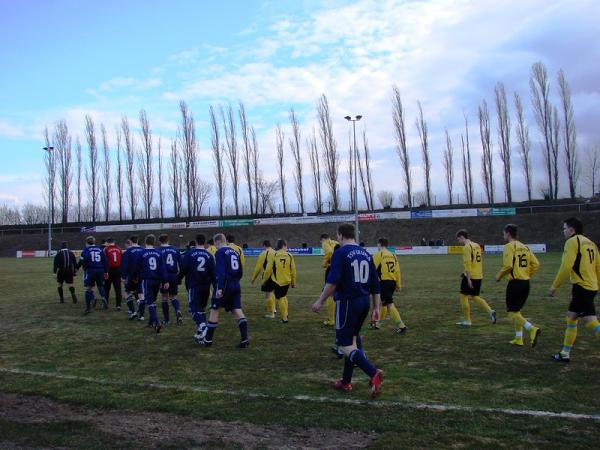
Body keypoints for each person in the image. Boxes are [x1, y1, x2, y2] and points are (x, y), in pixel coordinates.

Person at [312, 223, 384, 398]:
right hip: (364, 302)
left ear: (341, 235)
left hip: (347, 303)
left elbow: (333, 282)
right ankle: (346, 381)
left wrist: (320, 301)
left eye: (337, 236)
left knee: (344, 345)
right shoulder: (367, 254)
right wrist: (376, 307)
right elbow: (376, 285)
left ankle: (373, 372)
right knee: (352, 340)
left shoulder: (340, 253)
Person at [549, 217, 600, 362]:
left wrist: (555, 286)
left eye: (564, 228)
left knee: (590, 321)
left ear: (572, 230)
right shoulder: (591, 243)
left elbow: (566, 266)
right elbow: (598, 266)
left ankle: (565, 353)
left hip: (582, 287)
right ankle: (565, 353)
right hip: (590, 286)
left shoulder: (572, 242)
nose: (563, 231)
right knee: (571, 317)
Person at [195, 233, 249, 348]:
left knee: (214, 310)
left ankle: (208, 340)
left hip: (224, 285)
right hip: (236, 284)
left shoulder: (220, 252)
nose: (215, 246)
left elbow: (220, 271)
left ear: (218, 241)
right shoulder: (235, 251)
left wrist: (219, 288)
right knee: (237, 309)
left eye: (215, 243)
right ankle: (245, 339)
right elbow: (240, 271)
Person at [495, 224, 541, 347]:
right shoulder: (525, 247)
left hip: (515, 283)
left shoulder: (509, 246)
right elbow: (536, 264)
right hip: (526, 283)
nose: (503, 236)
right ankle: (518, 338)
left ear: (508, 234)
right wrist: (527, 274)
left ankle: (531, 329)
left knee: (512, 313)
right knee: (517, 311)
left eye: (503, 233)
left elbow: (508, 265)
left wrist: (498, 276)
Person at [455, 230, 496, 326]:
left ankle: (467, 320)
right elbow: (475, 261)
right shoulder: (477, 245)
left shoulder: (466, 247)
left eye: (458, 239)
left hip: (471, 276)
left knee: (463, 295)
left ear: (462, 237)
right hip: (478, 275)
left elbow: (468, 263)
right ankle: (490, 311)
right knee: (474, 296)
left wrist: (468, 278)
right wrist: (464, 272)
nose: (458, 242)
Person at [179, 236, 215, 341]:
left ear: (195, 242)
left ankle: (203, 327)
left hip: (194, 285)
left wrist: (178, 279)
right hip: (206, 286)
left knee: (193, 309)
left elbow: (183, 269)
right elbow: (213, 273)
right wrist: (216, 286)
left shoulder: (190, 253)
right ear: (204, 243)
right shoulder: (209, 255)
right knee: (201, 309)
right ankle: (201, 333)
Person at [132, 234, 167, 333]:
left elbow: (137, 267)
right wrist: (164, 280)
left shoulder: (141, 253)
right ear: (154, 242)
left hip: (147, 280)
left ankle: (156, 322)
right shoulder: (159, 253)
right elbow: (163, 268)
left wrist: (134, 277)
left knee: (149, 302)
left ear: (145, 242)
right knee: (153, 300)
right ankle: (151, 322)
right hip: (157, 280)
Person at [371, 238, 407, 334]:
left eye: (377, 245)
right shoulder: (393, 255)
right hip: (392, 282)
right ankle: (377, 323)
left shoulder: (379, 254)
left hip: (384, 282)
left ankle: (401, 325)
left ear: (379, 244)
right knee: (384, 303)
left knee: (389, 303)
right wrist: (398, 284)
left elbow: (371, 269)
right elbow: (398, 271)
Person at [262, 239, 296, 323]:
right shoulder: (289, 255)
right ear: (284, 245)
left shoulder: (274, 255)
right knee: (283, 296)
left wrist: (265, 280)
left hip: (278, 282)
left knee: (280, 298)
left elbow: (268, 270)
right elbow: (293, 270)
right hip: (287, 281)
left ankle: (284, 319)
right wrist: (293, 282)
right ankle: (286, 313)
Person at [78, 236, 108, 314]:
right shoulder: (100, 249)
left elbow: (83, 260)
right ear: (94, 242)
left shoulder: (86, 250)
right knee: (100, 286)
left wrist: (82, 267)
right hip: (100, 270)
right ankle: (103, 298)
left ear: (86, 242)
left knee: (88, 288)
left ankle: (88, 307)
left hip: (90, 270)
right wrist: (106, 271)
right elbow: (105, 260)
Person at [158, 234, 183, 325]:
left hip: (164, 276)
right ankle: (178, 311)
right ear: (168, 240)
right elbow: (182, 265)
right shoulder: (175, 249)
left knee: (164, 297)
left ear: (160, 241)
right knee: (173, 297)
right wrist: (179, 277)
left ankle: (167, 320)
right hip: (173, 275)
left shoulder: (158, 250)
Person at [120, 236, 145, 320]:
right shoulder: (143, 250)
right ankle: (141, 315)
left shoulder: (128, 251)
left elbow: (125, 265)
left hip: (131, 276)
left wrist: (123, 277)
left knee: (127, 293)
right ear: (137, 241)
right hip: (142, 276)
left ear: (130, 241)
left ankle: (133, 311)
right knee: (141, 295)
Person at [251, 240, 277, 318]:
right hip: (277, 276)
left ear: (264, 245)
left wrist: (254, 278)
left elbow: (258, 267)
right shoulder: (276, 252)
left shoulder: (263, 253)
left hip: (268, 276)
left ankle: (271, 313)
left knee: (268, 294)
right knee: (272, 292)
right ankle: (274, 309)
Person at [320, 233, 339, 326]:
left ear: (323, 239)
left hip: (332, 268)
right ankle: (338, 317)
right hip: (339, 268)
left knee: (328, 293)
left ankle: (332, 320)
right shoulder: (336, 242)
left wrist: (324, 263)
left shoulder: (325, 243)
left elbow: (328, 252)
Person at [103, 237, 123, 311]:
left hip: (109, 270)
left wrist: (105, 271)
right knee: (118, 288)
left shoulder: (106, 249)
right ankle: (118, 305)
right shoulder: (119, 249)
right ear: (114, 242)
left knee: (107, 288)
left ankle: (106, 303)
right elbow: (122, 259)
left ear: (108, 242)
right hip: (118, 270)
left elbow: (104, 261)